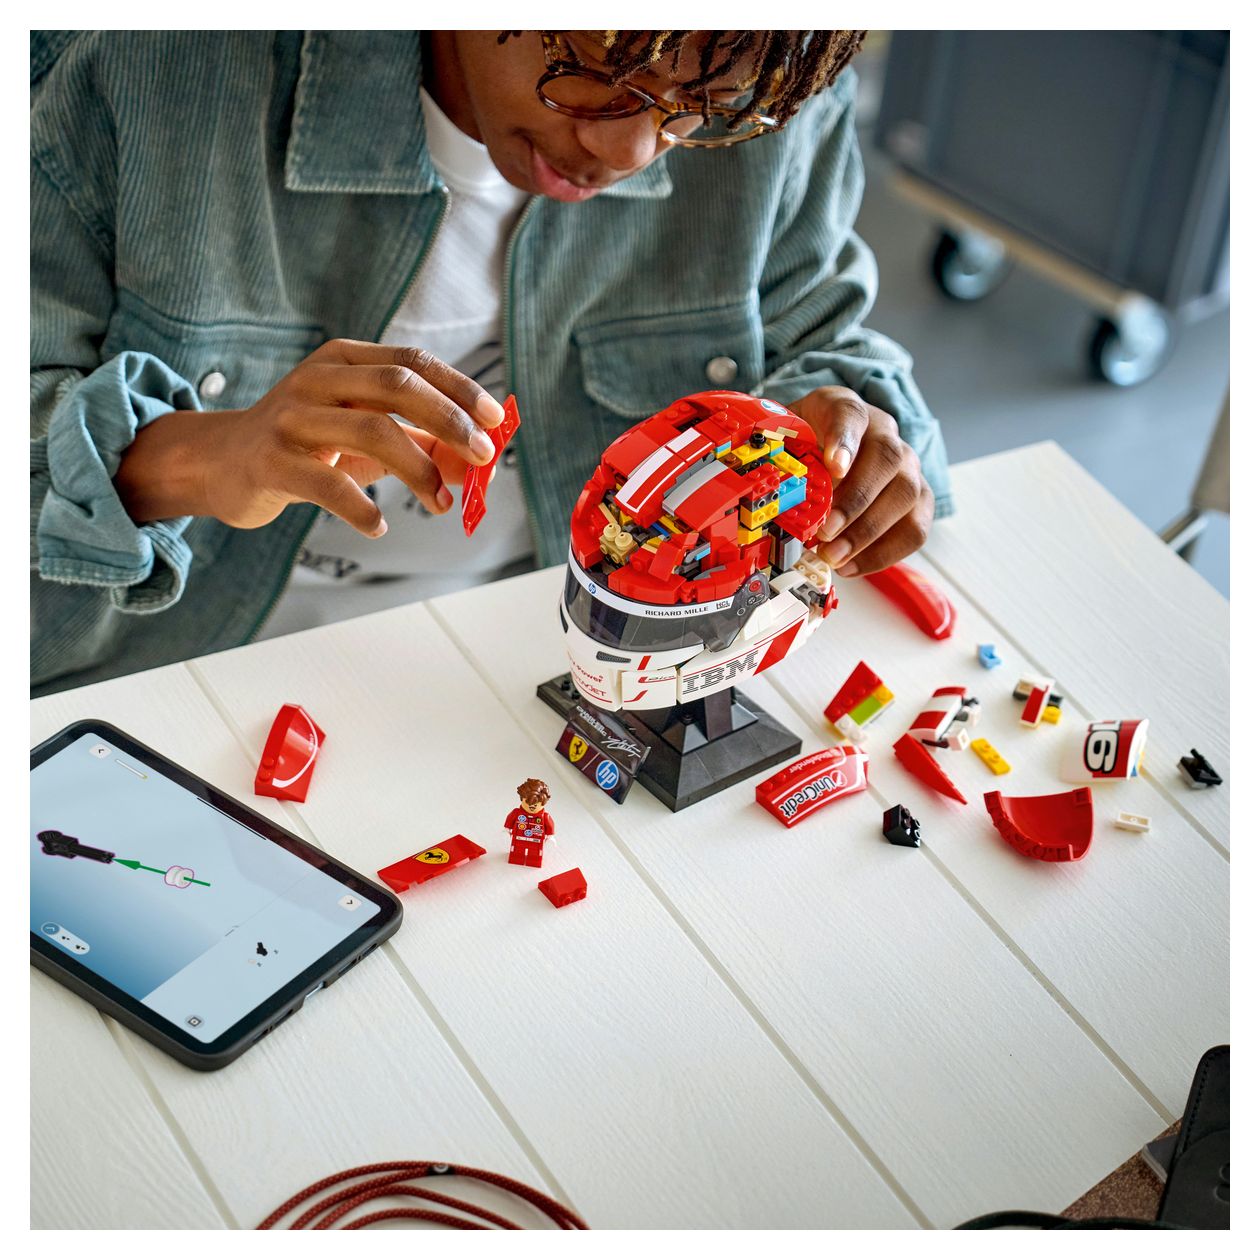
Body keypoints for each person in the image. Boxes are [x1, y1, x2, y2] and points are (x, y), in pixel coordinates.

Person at [31, 30, 952, 696]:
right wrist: (204, 457)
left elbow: (824, 343)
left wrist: (855, 435)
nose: (627, 152)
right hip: (156, 680)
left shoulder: (759, 64)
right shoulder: (135, 62)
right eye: (597, 72)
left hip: (530, 665)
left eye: (694, 113)